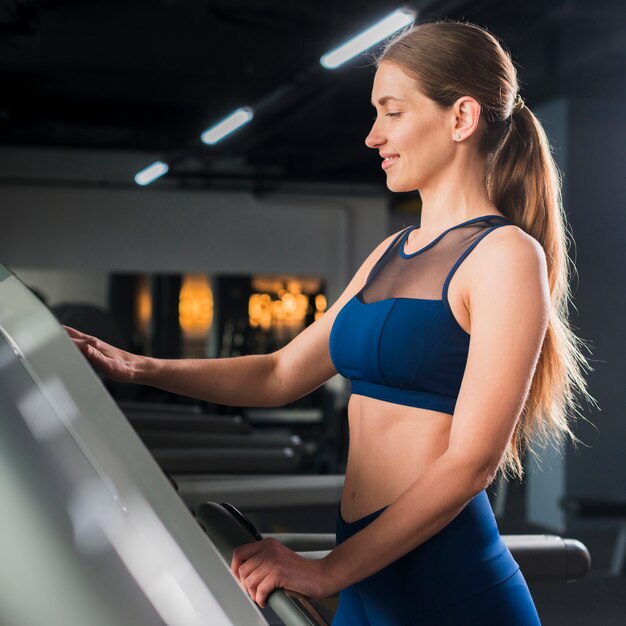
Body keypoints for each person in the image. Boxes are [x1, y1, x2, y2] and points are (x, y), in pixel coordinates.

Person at [67, 20, 591, 626]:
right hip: (368, 579)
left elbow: (471, 461)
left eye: (391, 113)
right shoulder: (391, 252)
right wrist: (138, 367)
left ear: (461, 118)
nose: (372, 137)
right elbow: (279, 371)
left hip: (447, 588)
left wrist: (328, 571)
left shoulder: (505, 256)